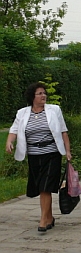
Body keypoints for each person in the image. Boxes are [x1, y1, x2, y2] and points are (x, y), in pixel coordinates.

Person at [5, 82, 72, 233]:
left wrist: (67, 151)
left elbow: (63, 131)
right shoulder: (22, 113)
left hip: (52, 154)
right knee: (41, 187)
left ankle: (43, 221)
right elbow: (14, 130)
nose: (44, 96)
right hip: (34, 156)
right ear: (32, 97)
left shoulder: (54, 110)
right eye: (40, 93)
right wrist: (9, 142)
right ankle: (49, 217)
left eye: (44, 93)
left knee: (45, 187)